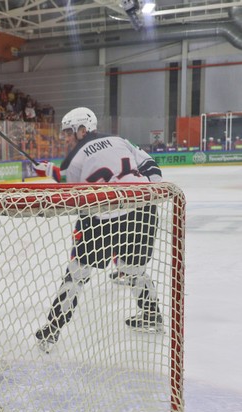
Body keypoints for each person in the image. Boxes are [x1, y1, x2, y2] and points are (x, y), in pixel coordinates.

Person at [33, 107, 164, 352]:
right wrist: (146, 193)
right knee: (131, 267)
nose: (66, 138)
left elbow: (71, 191)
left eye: (69, 132)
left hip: (102, 216)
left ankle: (51, 330)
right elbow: (153, 169)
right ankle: (151, 314)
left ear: (83, 129)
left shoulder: (73, 158)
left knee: (77, 272)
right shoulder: (120, 140)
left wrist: (49, 171)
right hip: (143, 211)